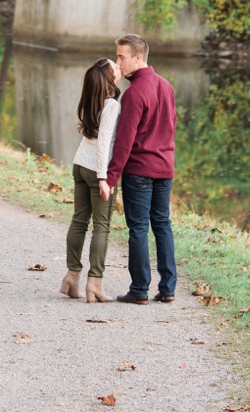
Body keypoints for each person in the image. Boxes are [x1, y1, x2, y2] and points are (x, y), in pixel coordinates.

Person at [99, 33, 177, 306]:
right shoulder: (166, 86)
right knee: (162, 225)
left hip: (140, 171)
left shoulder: (133, 94)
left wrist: (110, 177)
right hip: (165, 168)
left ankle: (140, 289)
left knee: (139, 228)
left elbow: (124, 142)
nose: (118, 63)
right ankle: (168, 288)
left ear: (138, 57)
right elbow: (170, 129)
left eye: (122, 57)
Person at [60, 58, 121, 305]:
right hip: (98, 170)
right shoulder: (111, 106)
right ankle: (94, 283)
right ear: (109, 79)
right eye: (114, 67)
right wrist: (103, 177)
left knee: (79, 221)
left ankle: (71, 277)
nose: (119, 66)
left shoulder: (91, 99)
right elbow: (105, 143)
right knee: (101, 226)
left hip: (79, 164)